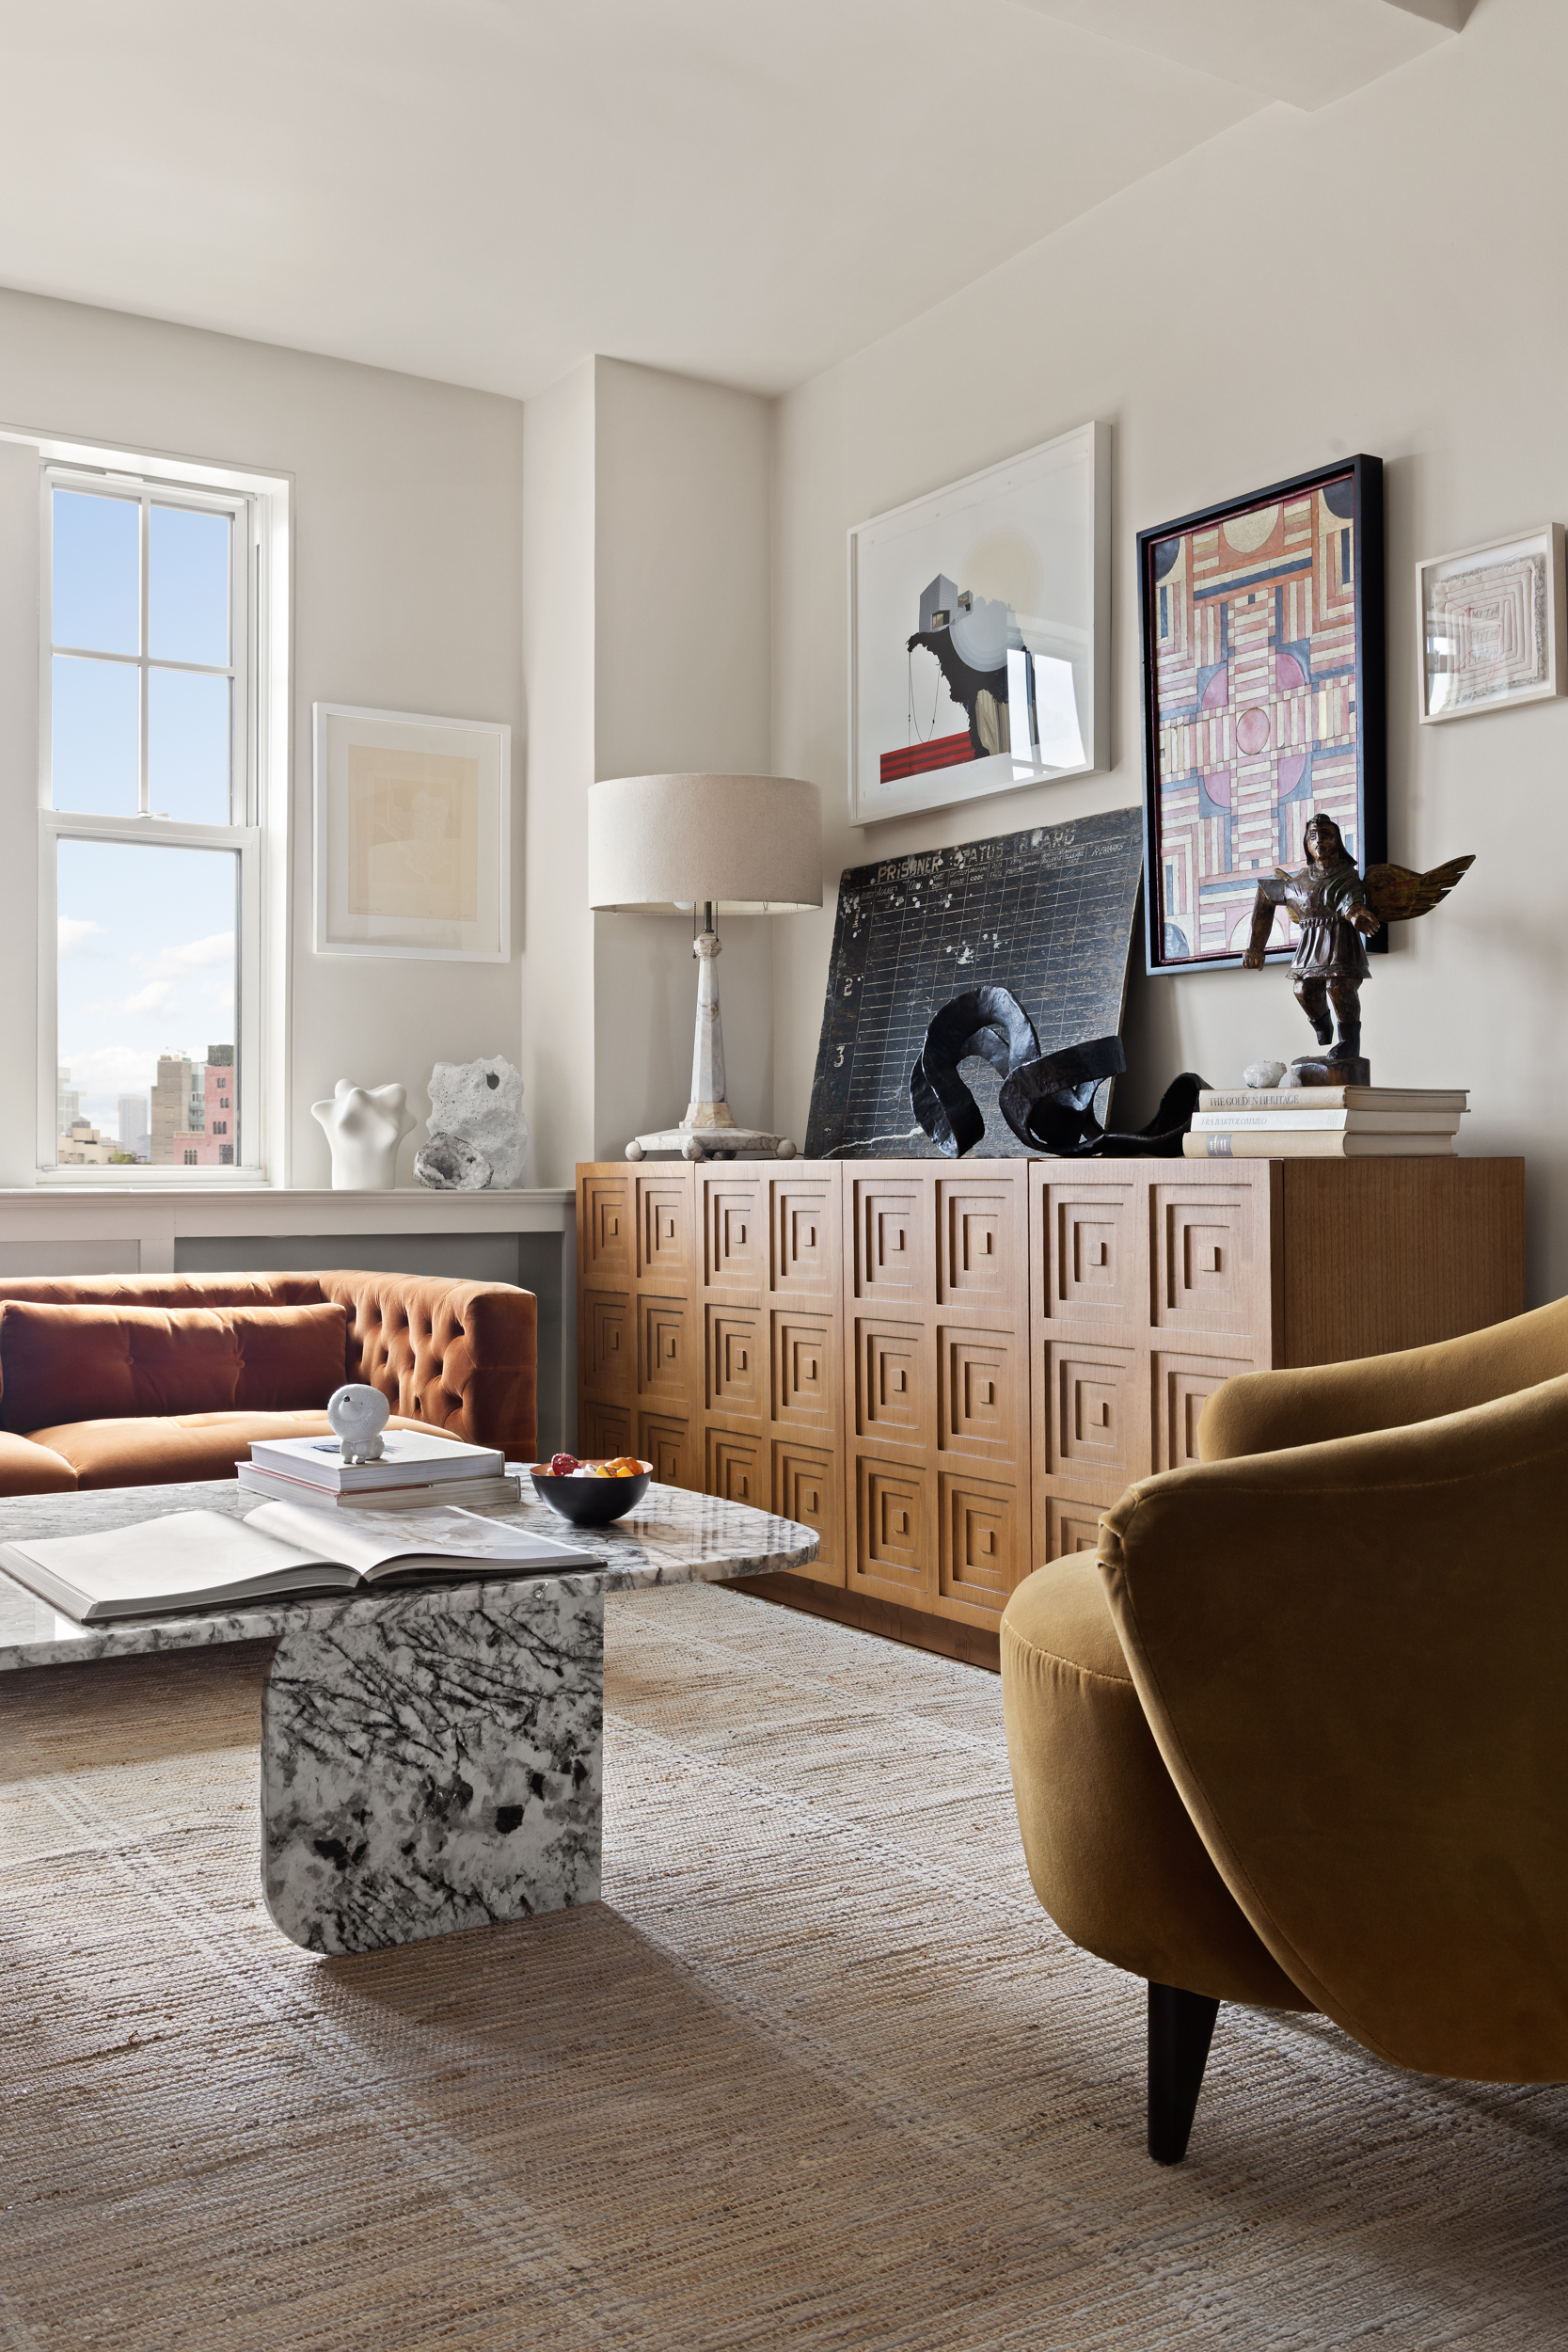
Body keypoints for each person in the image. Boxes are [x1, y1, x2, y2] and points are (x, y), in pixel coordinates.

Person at [1241, 814, 1381, 1070]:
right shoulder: (1301, 879)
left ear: (1337, 841)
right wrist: (1255, 947)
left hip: (1340, 943)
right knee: (1302, 990)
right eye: (1313, 836)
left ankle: (1349, 1041)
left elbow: (1351, 900)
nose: (1319, 841)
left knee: (1338, 988)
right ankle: (1322, 1024)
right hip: (1311, 943)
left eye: (1326, 835)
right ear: (1306, 842)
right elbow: (1265, 894)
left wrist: (1357, 915)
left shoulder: (1346, 874)